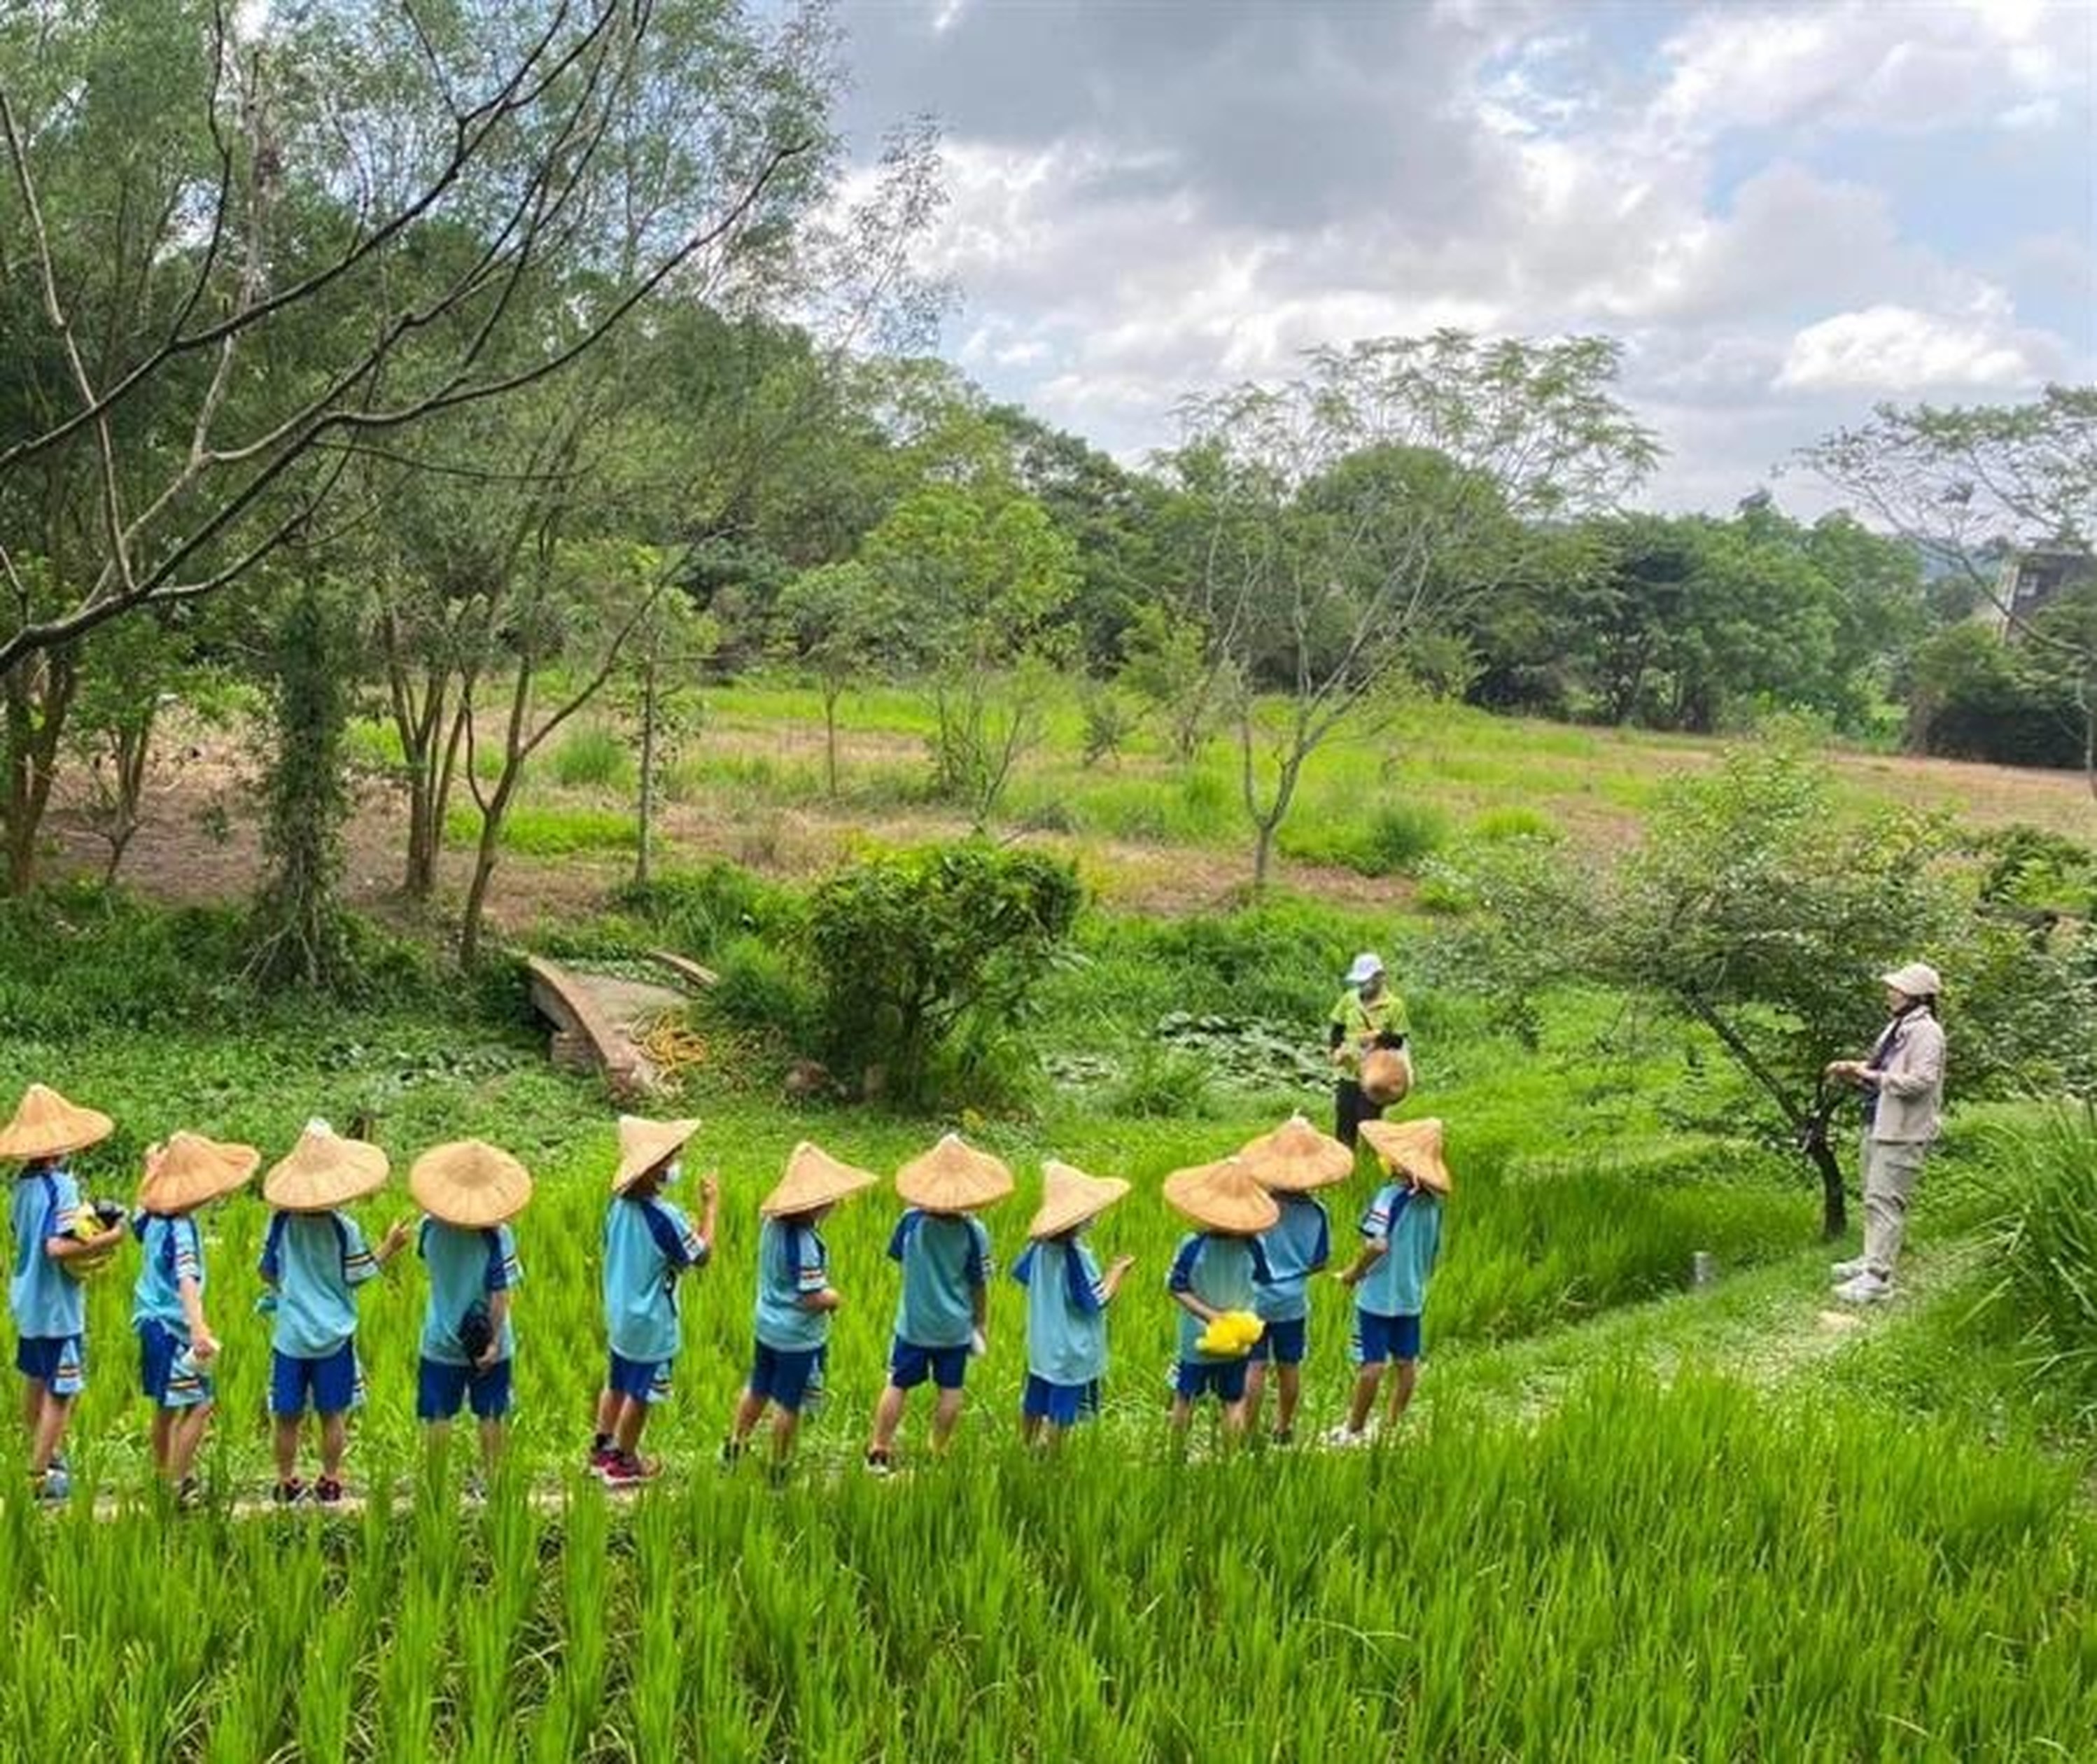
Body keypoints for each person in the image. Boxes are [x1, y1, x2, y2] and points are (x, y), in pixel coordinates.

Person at [260, 1119, 413, 1506]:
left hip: (291, 1335)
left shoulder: (279, 1224)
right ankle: (330, 1480)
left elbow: (266, 1271)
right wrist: (390, 1246)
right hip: (334, 1337)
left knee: (288, 1415)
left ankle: (286, 1480)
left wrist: (289, 1292)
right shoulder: (344, 1228)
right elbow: (359, 1275)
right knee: (333, 1413)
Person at [1, 1084, 126, 1504]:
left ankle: (43, 1453)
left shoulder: (22, 1186)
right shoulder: (61, 1185)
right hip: (56, 1307)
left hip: (28, 1301)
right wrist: (108, 1239)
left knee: (35, 1379)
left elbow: (25, 1236)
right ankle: (39, 1474)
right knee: (63, 1389)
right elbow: (56, 1247)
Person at [727, 1141, 876, 1476]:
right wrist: (834, 1298)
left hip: (767, 1326)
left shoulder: (772, 1225)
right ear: (815, 1203)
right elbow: (810, 1296)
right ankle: (779, 1464)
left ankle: (736, 1444)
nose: (835, 1203)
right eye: (829, 1198)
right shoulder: (804, 1241)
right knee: (788, 1402)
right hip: (795, 1336)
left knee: (758, 1385)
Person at [866, 1134, 1011, 1475]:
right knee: (951, 1389)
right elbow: (979, 1284)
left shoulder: (910, 1221)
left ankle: (879, 1448)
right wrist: (981, 1322)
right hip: (954, 1328)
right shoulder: (975, 1233)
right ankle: (938, 1450)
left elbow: (900, 1258)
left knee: (897, 1383)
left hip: (914, 1324)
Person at [132, 1131, 258, 1503]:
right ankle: (177, 1482)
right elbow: (186, 1279)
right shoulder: (181, 1228)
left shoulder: (153, 1217)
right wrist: (199, 1329)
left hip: (150, 1323)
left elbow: (140, 1213)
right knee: (200, 1405)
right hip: (173, 1328)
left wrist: (150, 1171)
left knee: (167, 1407)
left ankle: (161, 1476)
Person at [592, 1116, 714, 1488]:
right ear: (653, 1170)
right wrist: (711, 1206)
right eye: (674, 1158)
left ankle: (601, 1450)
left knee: (616, 1382)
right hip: (651, 1322)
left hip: (620, 1313)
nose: (678, 1164)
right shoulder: (665, 1216)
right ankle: (625, 1462)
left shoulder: (618, 1206)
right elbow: (702, 1256)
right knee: (642, 1393)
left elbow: (633, 1250)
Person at [408, 1140, 531, 1482]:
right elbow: (499, 1292)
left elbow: (430, 1263)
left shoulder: (429, 1226)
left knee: (438, 1414)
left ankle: (434, 1483)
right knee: (491, 1412)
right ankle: (494, 1482)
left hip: (439, 1337)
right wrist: (492, 1344)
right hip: (488, 1342)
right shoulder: (497, 1235)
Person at [1825, 962, 1947, 1304]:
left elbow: (1921, 1082)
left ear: (1918, 996)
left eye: (1898, 988)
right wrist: (1853, 1070)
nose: (1891, 992)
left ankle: (1878, 1279)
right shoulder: (1898, 1027)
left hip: (1903, 1129)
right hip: (1880, 1121)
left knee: (1886, 1200)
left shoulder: (1927, 1032)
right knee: (1873, 1195)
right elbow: (1883, 1070)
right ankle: (1870, 1260)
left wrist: (1873, 1077)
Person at [1329, 1117, 1450, 1446]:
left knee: (1371, 1364)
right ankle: (1393, 1426)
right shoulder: (1433, 1203)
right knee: (1406, 1362)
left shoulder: (1391, 1196)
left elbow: (1377, 1244)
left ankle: (1353, 1429)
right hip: (1411, 1294)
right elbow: (1435, 1251)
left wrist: (1354, 1273)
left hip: (1378, 1296)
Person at [1236, 1115, 1350, 1445]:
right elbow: (1319, 1262)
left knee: (1254, 1365)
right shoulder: (1318, 1213)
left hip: (1255, 1296)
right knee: (1289, 1364)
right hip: (1293, 1301)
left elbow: (1245, 1250)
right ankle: (1285, 1428)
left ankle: (1247, 1429)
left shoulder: (1260, 1206)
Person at [1011, 1160, 1136, 1446]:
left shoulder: (1039, 1248)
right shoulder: (1076, 1257)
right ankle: (1052, 1459)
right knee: (1062, 1410)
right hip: (1070, 1349)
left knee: (1035, 1398)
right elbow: (1094, 1301)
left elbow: (1022, 1274)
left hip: (1042, 1344)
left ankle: (1027, 1446)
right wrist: (1117, 1273)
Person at [1163, 1156, 1277, 1443]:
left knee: (1185, 1397)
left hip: (1194, 1340)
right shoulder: (1254, 1244)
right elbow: (1265, 1281)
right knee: (1233, 1401)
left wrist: (1210, 1315)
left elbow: (1176, 1287)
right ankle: (1229, 1464)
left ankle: (1176, 1459)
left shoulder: (1193, 1245)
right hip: (1238, 1338)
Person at [1328, 952, 1411, 1147]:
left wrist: (1378, 1036)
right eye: (1359, 982)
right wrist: (1335, 1051)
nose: (1363, 986)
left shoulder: (1394, 1006)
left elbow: (1399, 1040)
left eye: (1367, 981)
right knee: (1344, 1117)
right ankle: (1344, 1163)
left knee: (1368, 1120)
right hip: (1349, 1071)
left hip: (1376, 1074)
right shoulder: (1349, 999)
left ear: (1380, 977)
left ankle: (1371, 1159)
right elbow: (1337, 1029)